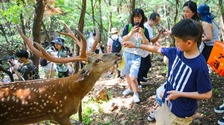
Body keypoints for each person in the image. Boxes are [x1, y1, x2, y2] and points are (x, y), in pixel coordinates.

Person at [123, 18, 212, 124]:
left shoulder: (199, 66)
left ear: (189, 43)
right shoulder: (177, 52)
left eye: (177, 41)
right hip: (167, 104)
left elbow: (207, 94)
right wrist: (135, 45)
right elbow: (156, 49)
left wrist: (180, 94)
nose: (176, 43)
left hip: (181, 114)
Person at [121, 8, 150, 103]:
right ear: (133, 18)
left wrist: (142, 35)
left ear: (142, 18)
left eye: (139, 17)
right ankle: (130, 88)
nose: (137, 19)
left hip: (137, 56)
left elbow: (147, 44)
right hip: (126, 54)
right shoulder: (128, 27)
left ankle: (135, 93)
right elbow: (123, 40)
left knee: (133, 76)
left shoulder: (144, 30)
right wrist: (131, 33)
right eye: (135, 17)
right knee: (126, 75)